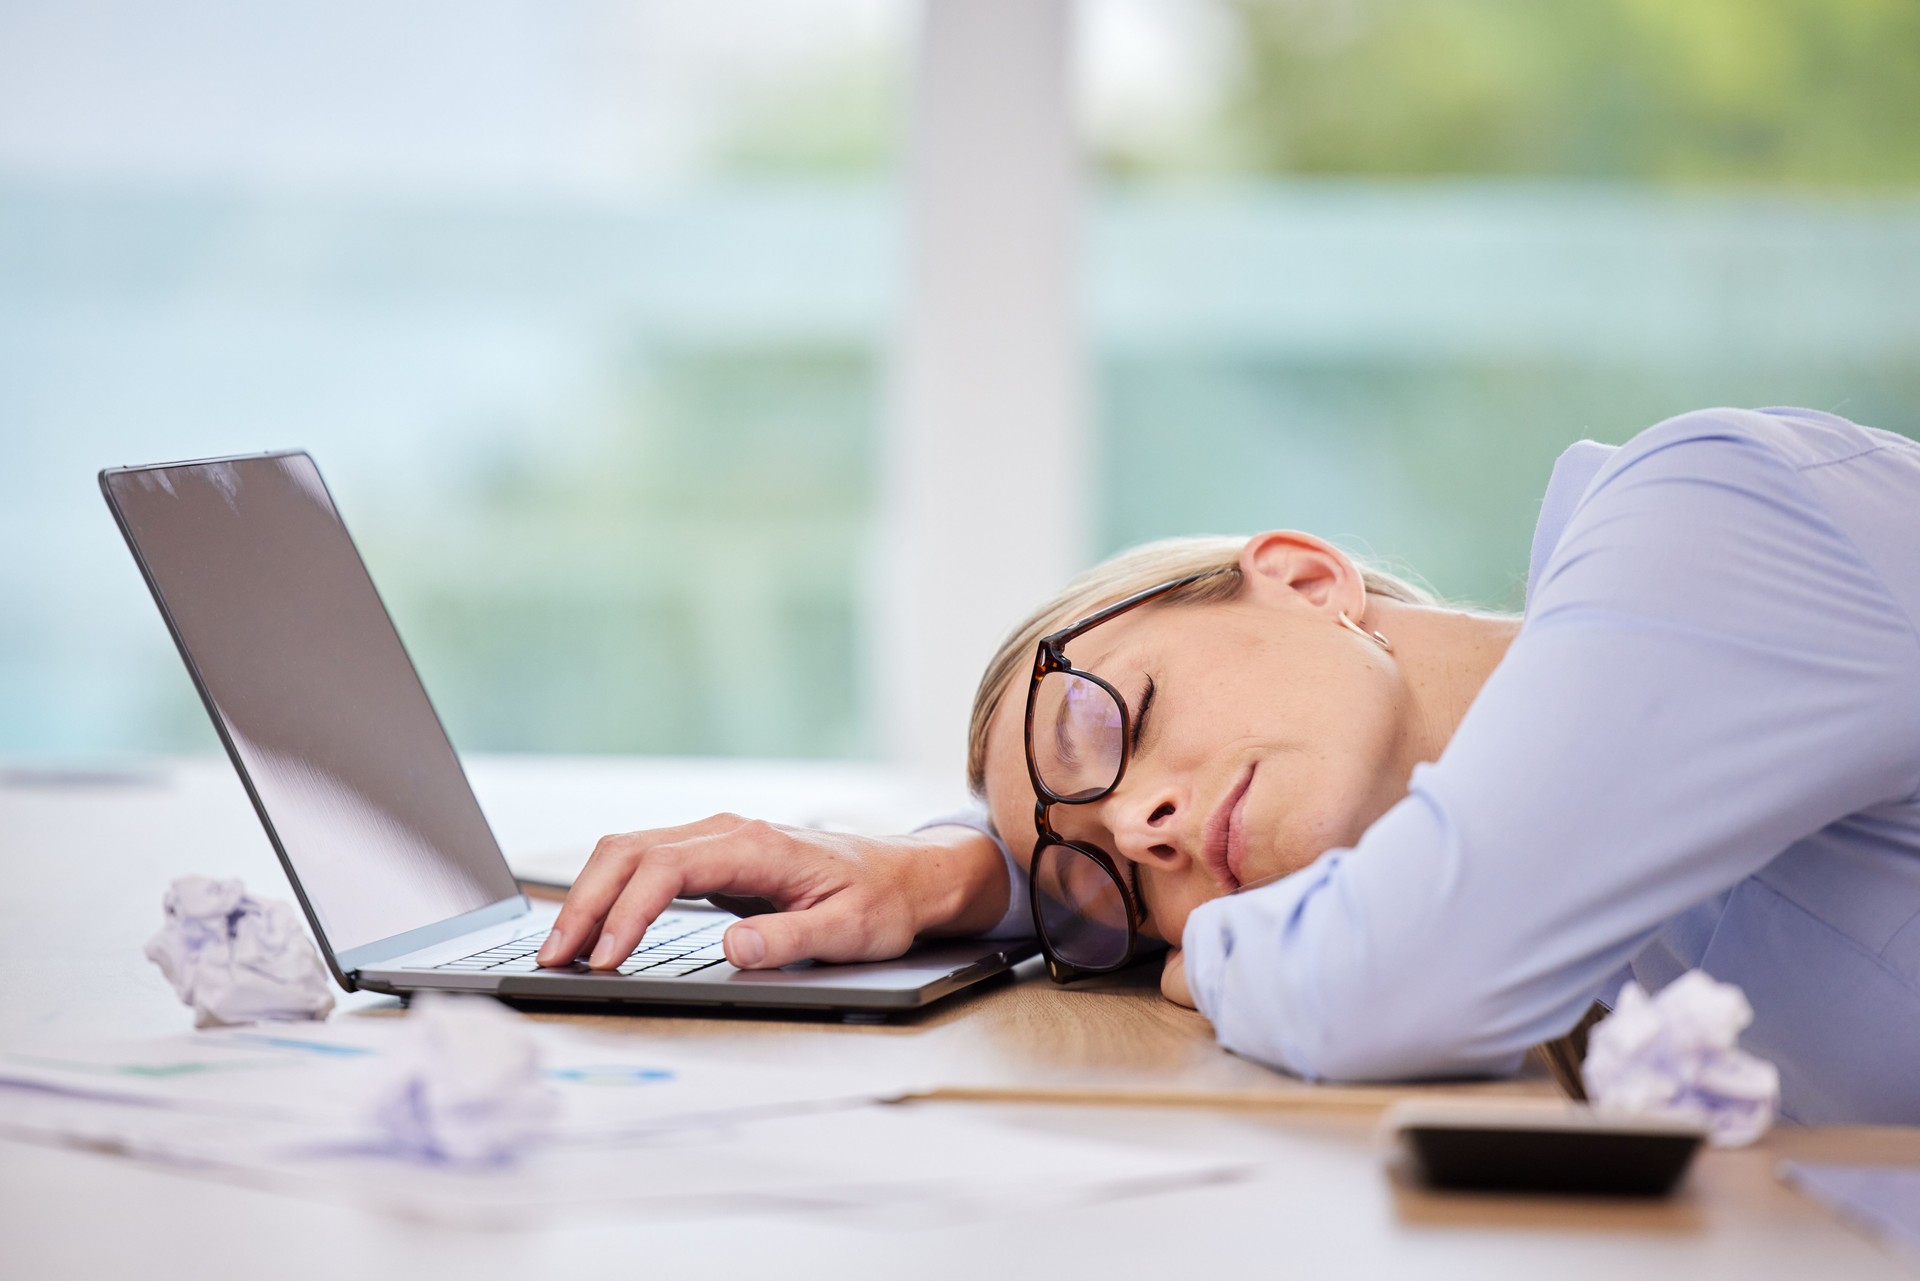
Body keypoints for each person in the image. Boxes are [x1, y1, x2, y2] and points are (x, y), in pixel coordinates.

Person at [537, 406, 1920, 1125]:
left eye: (1108, 723)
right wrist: (945, 879)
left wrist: (1199, 950)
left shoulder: (1716, 514)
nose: (1140, 828)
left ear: (1304, 576)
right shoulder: (1596, 899)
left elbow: (1396, 977)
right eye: (1113, 890)